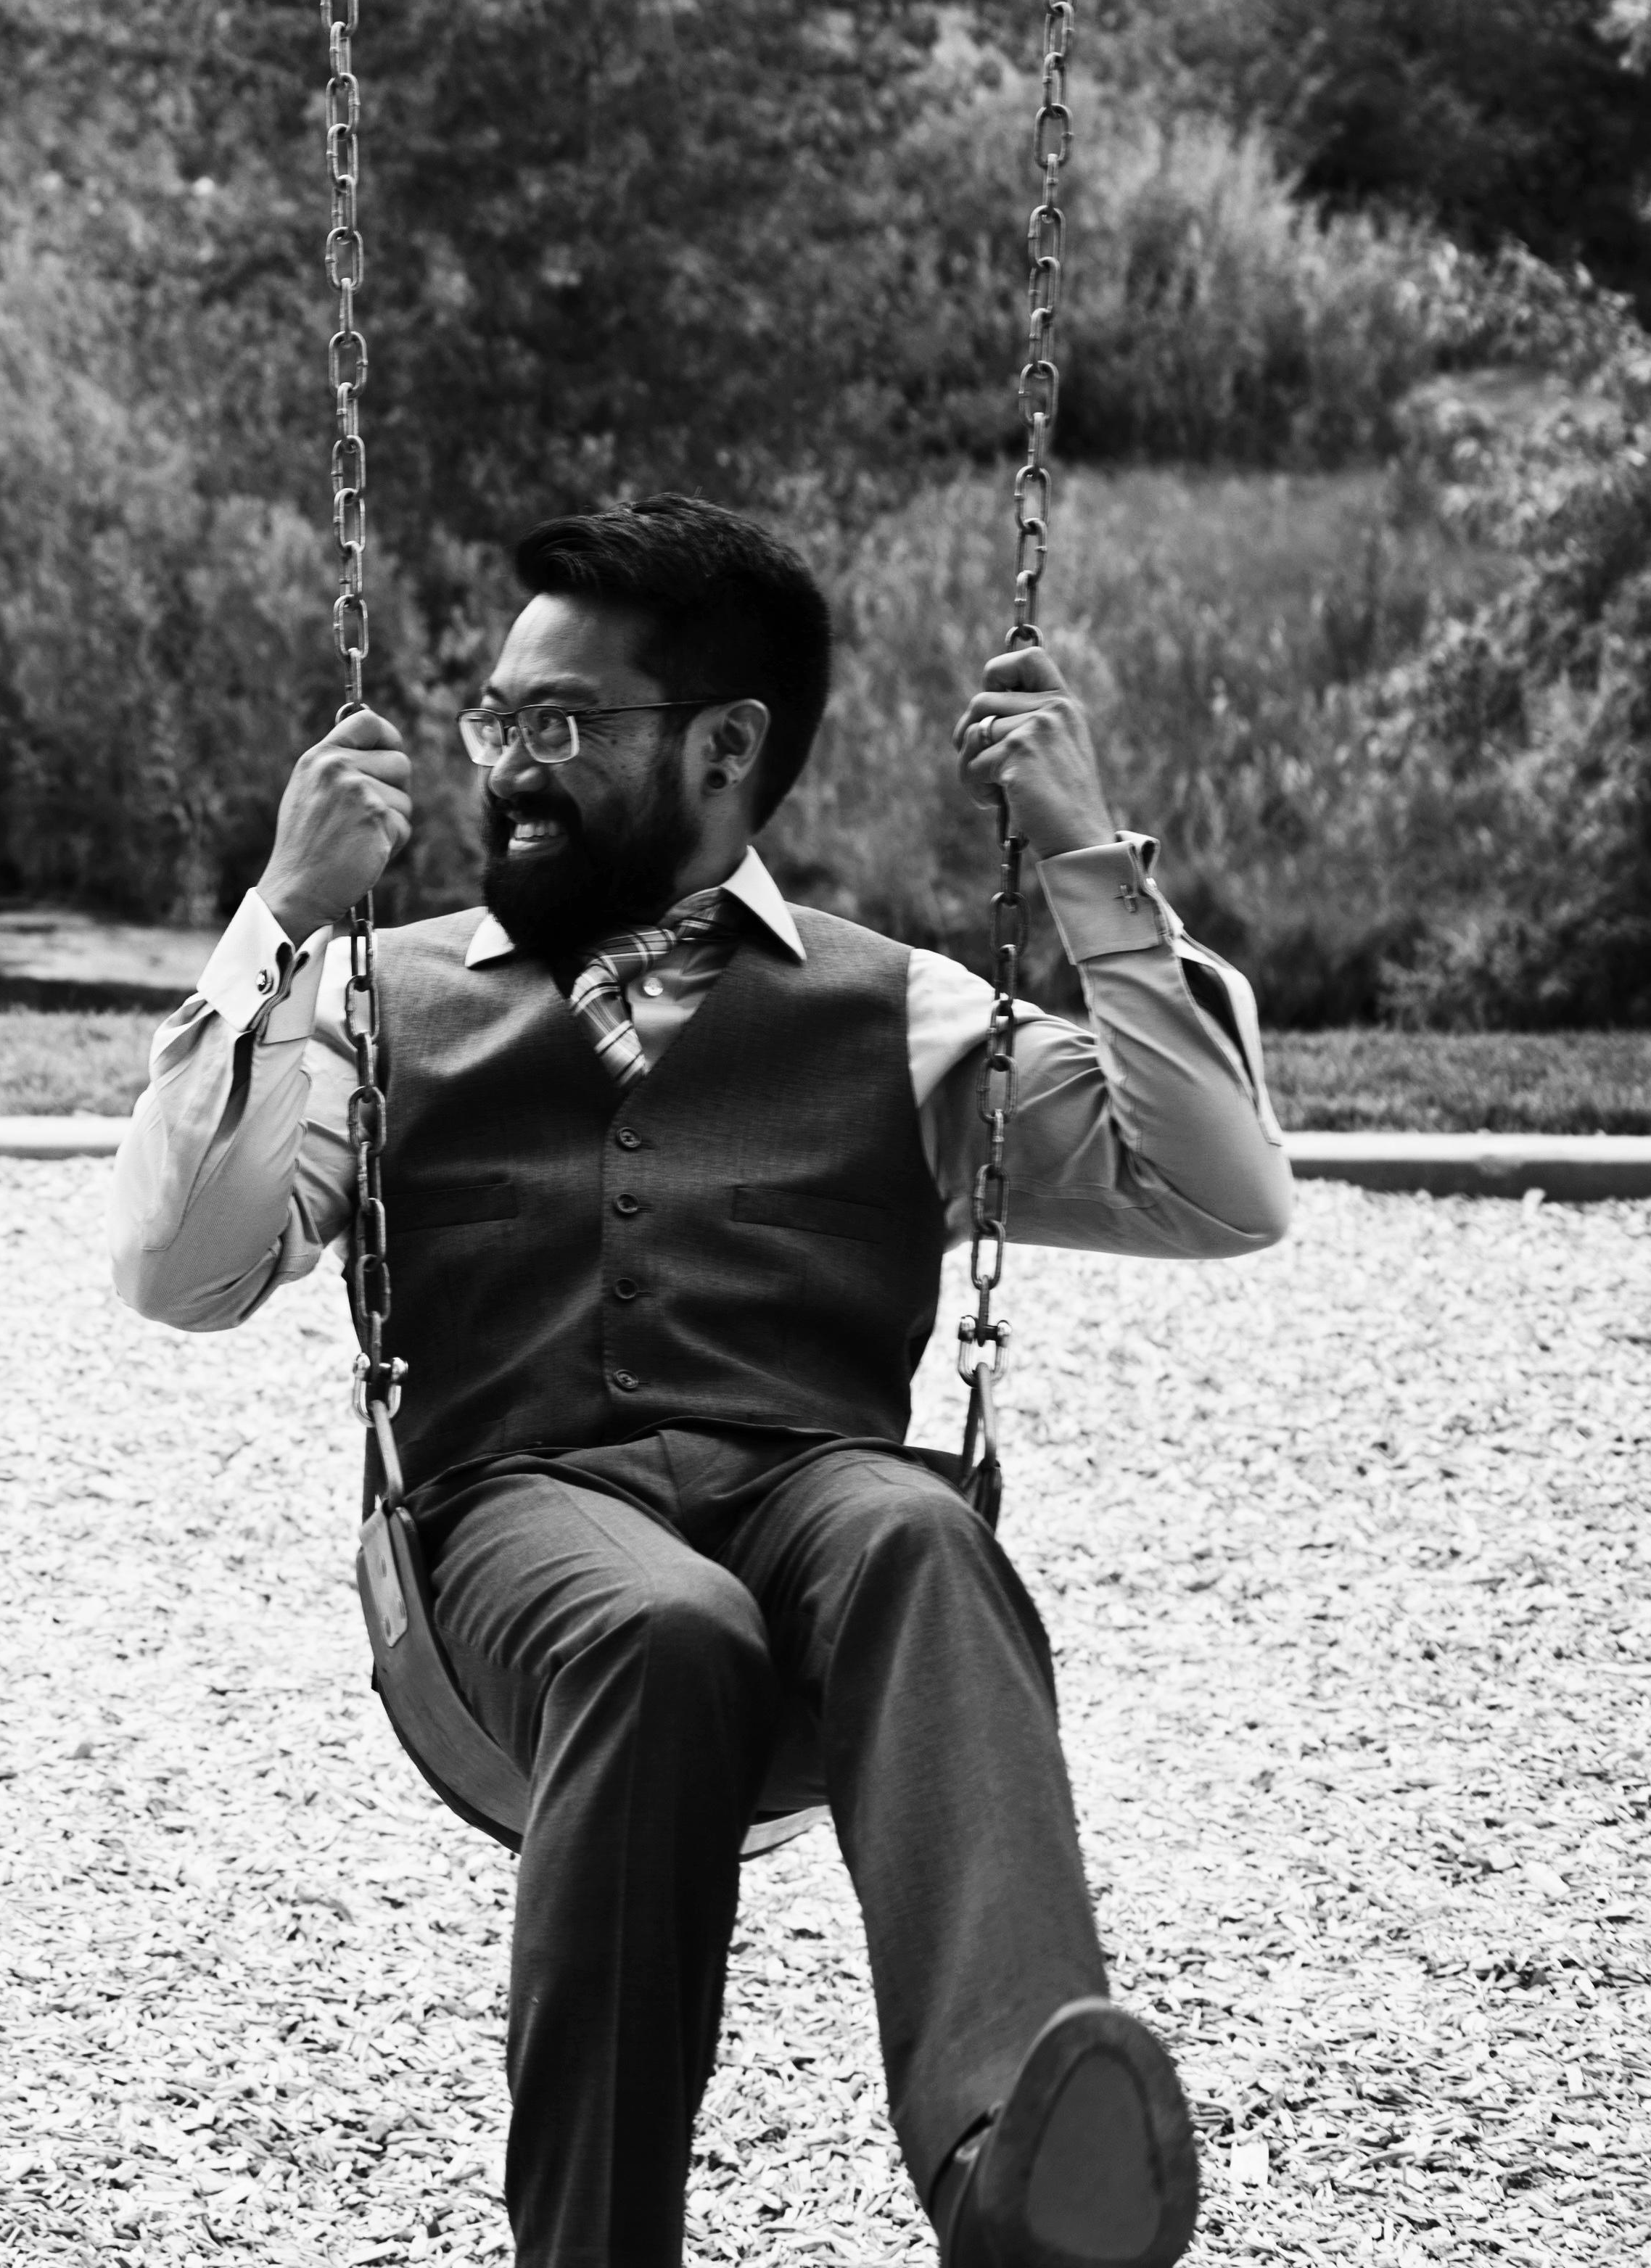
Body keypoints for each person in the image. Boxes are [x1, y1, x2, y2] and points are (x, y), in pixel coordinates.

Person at [110, 494, 1293, 2268]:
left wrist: (1077, 858)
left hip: (812, 1501)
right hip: (518, 1525)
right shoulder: (375, 1001)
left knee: (918, 1533)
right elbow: (177, 1268)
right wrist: (278, 913)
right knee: (658, 1628)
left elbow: (1219, 1188)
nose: (507, 764)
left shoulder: (896, 1008)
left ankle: (1011, 2169)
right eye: (497, 719)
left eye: (560, 722)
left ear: (725, 747)